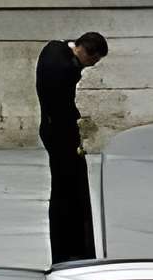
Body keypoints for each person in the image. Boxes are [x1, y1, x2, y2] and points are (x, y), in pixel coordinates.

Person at [36, 30, 108, 263]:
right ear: (86, 52)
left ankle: (70, 247)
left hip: (53, 130)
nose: (90, 66)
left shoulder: (54, 49)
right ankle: (71, 248)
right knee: (68, 190)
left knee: (67, 188)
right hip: (60, 133)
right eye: (92, 61)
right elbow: (63, 102)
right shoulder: (66, 67)